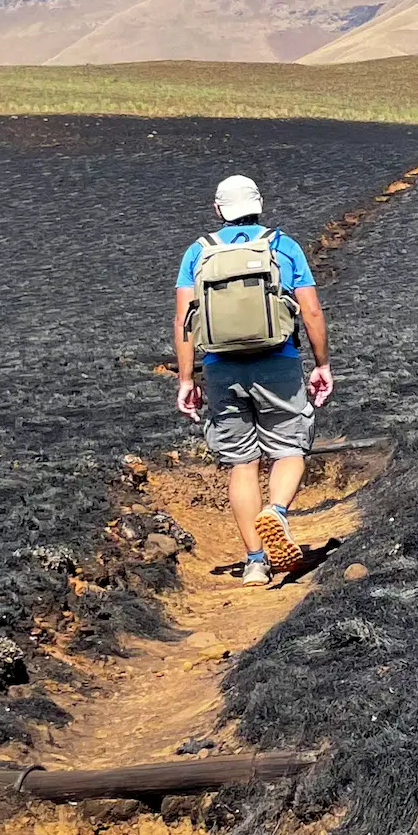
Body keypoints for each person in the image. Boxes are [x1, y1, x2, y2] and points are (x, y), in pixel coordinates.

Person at [173, 174, 334, 585]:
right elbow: (311, 311)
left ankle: (255, 563)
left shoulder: (198, 251)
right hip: (277, 361)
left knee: (242, 465)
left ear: (218, 209)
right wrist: (322, 364)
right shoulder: (283, 245)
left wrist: (186, 379)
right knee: (289, 449)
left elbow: (183, 320)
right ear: (259, 204)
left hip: (220, 367)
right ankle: (276, 511)